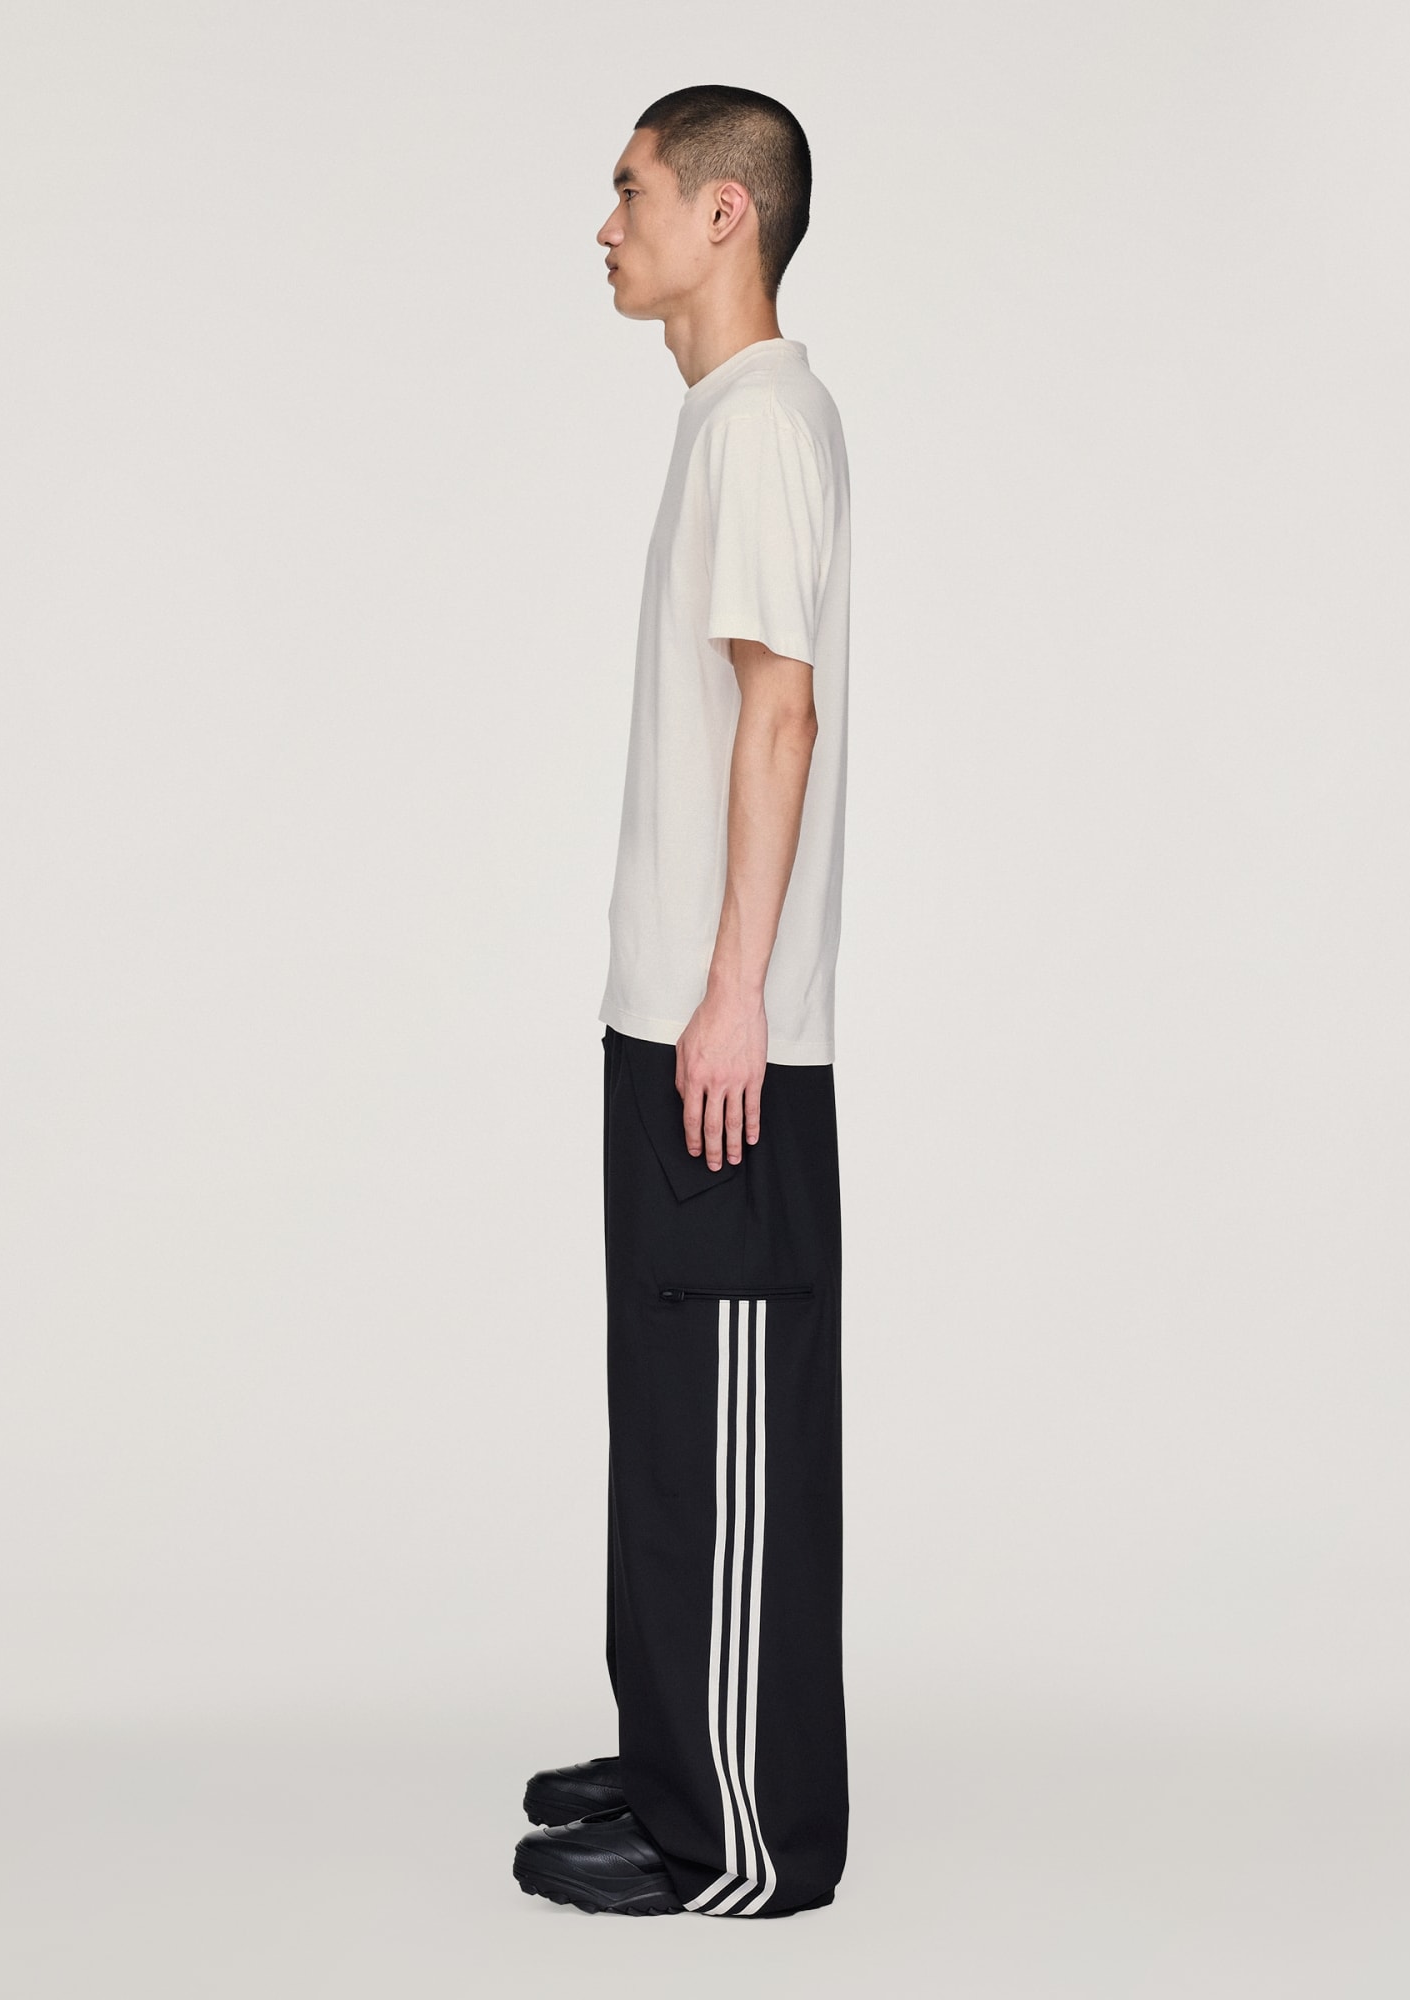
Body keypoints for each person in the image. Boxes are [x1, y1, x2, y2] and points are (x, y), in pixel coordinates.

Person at [511, 85, 852, 1920]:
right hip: (675, 1014)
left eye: (632, 189)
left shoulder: (765, 427)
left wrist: (736, 997)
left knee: (727, 1422)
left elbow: (780, 715)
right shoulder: (726, 422)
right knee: (669, 1414)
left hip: (727, 1037)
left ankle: (742, 1837)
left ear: (727, 214)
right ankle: (671, 1755)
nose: (606, 222)